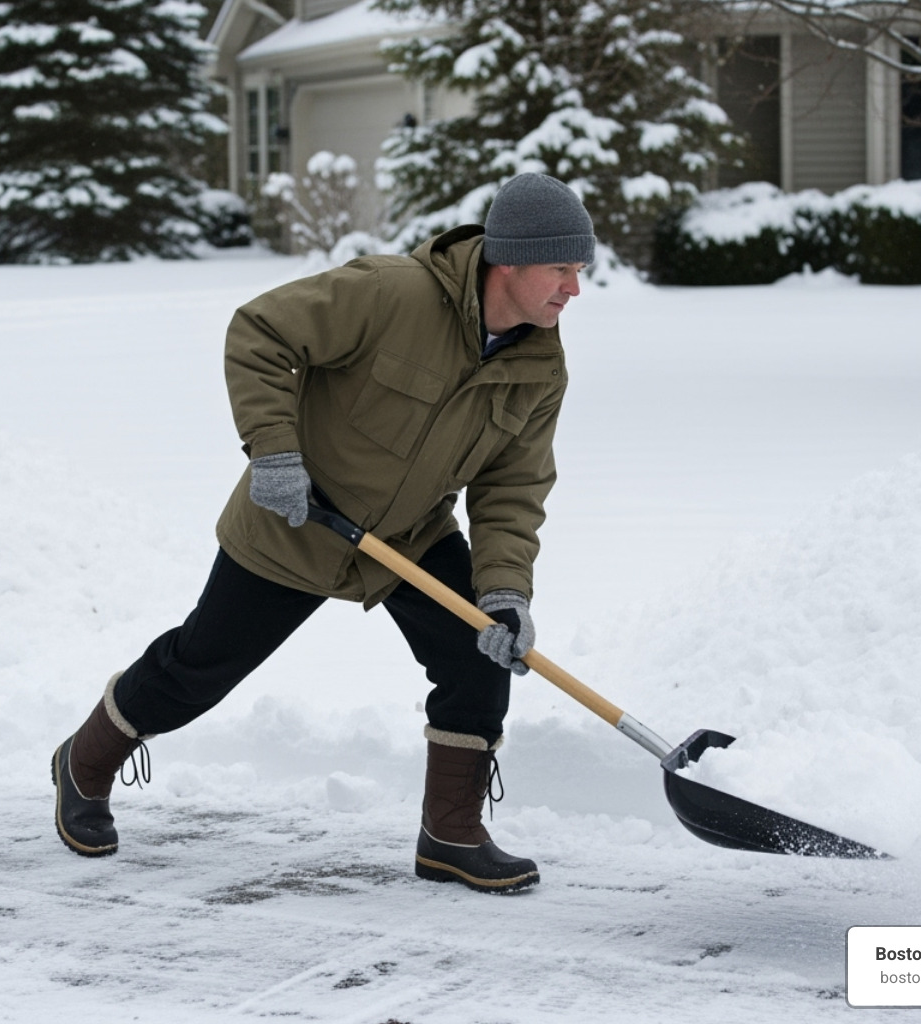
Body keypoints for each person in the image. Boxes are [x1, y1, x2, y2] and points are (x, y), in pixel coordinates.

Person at [51, 172, 594, 893]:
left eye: (579, 272)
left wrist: (503, 593)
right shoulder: (391, 294)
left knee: (478, 656)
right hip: (298, 518)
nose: (574, 290)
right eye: (562, 269)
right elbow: (261, 331)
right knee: (198, 669)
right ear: (512, 261)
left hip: (406, 537)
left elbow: (512, 489)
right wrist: (273, 449)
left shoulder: (538, 367)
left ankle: (451, 833)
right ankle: (84, 762)